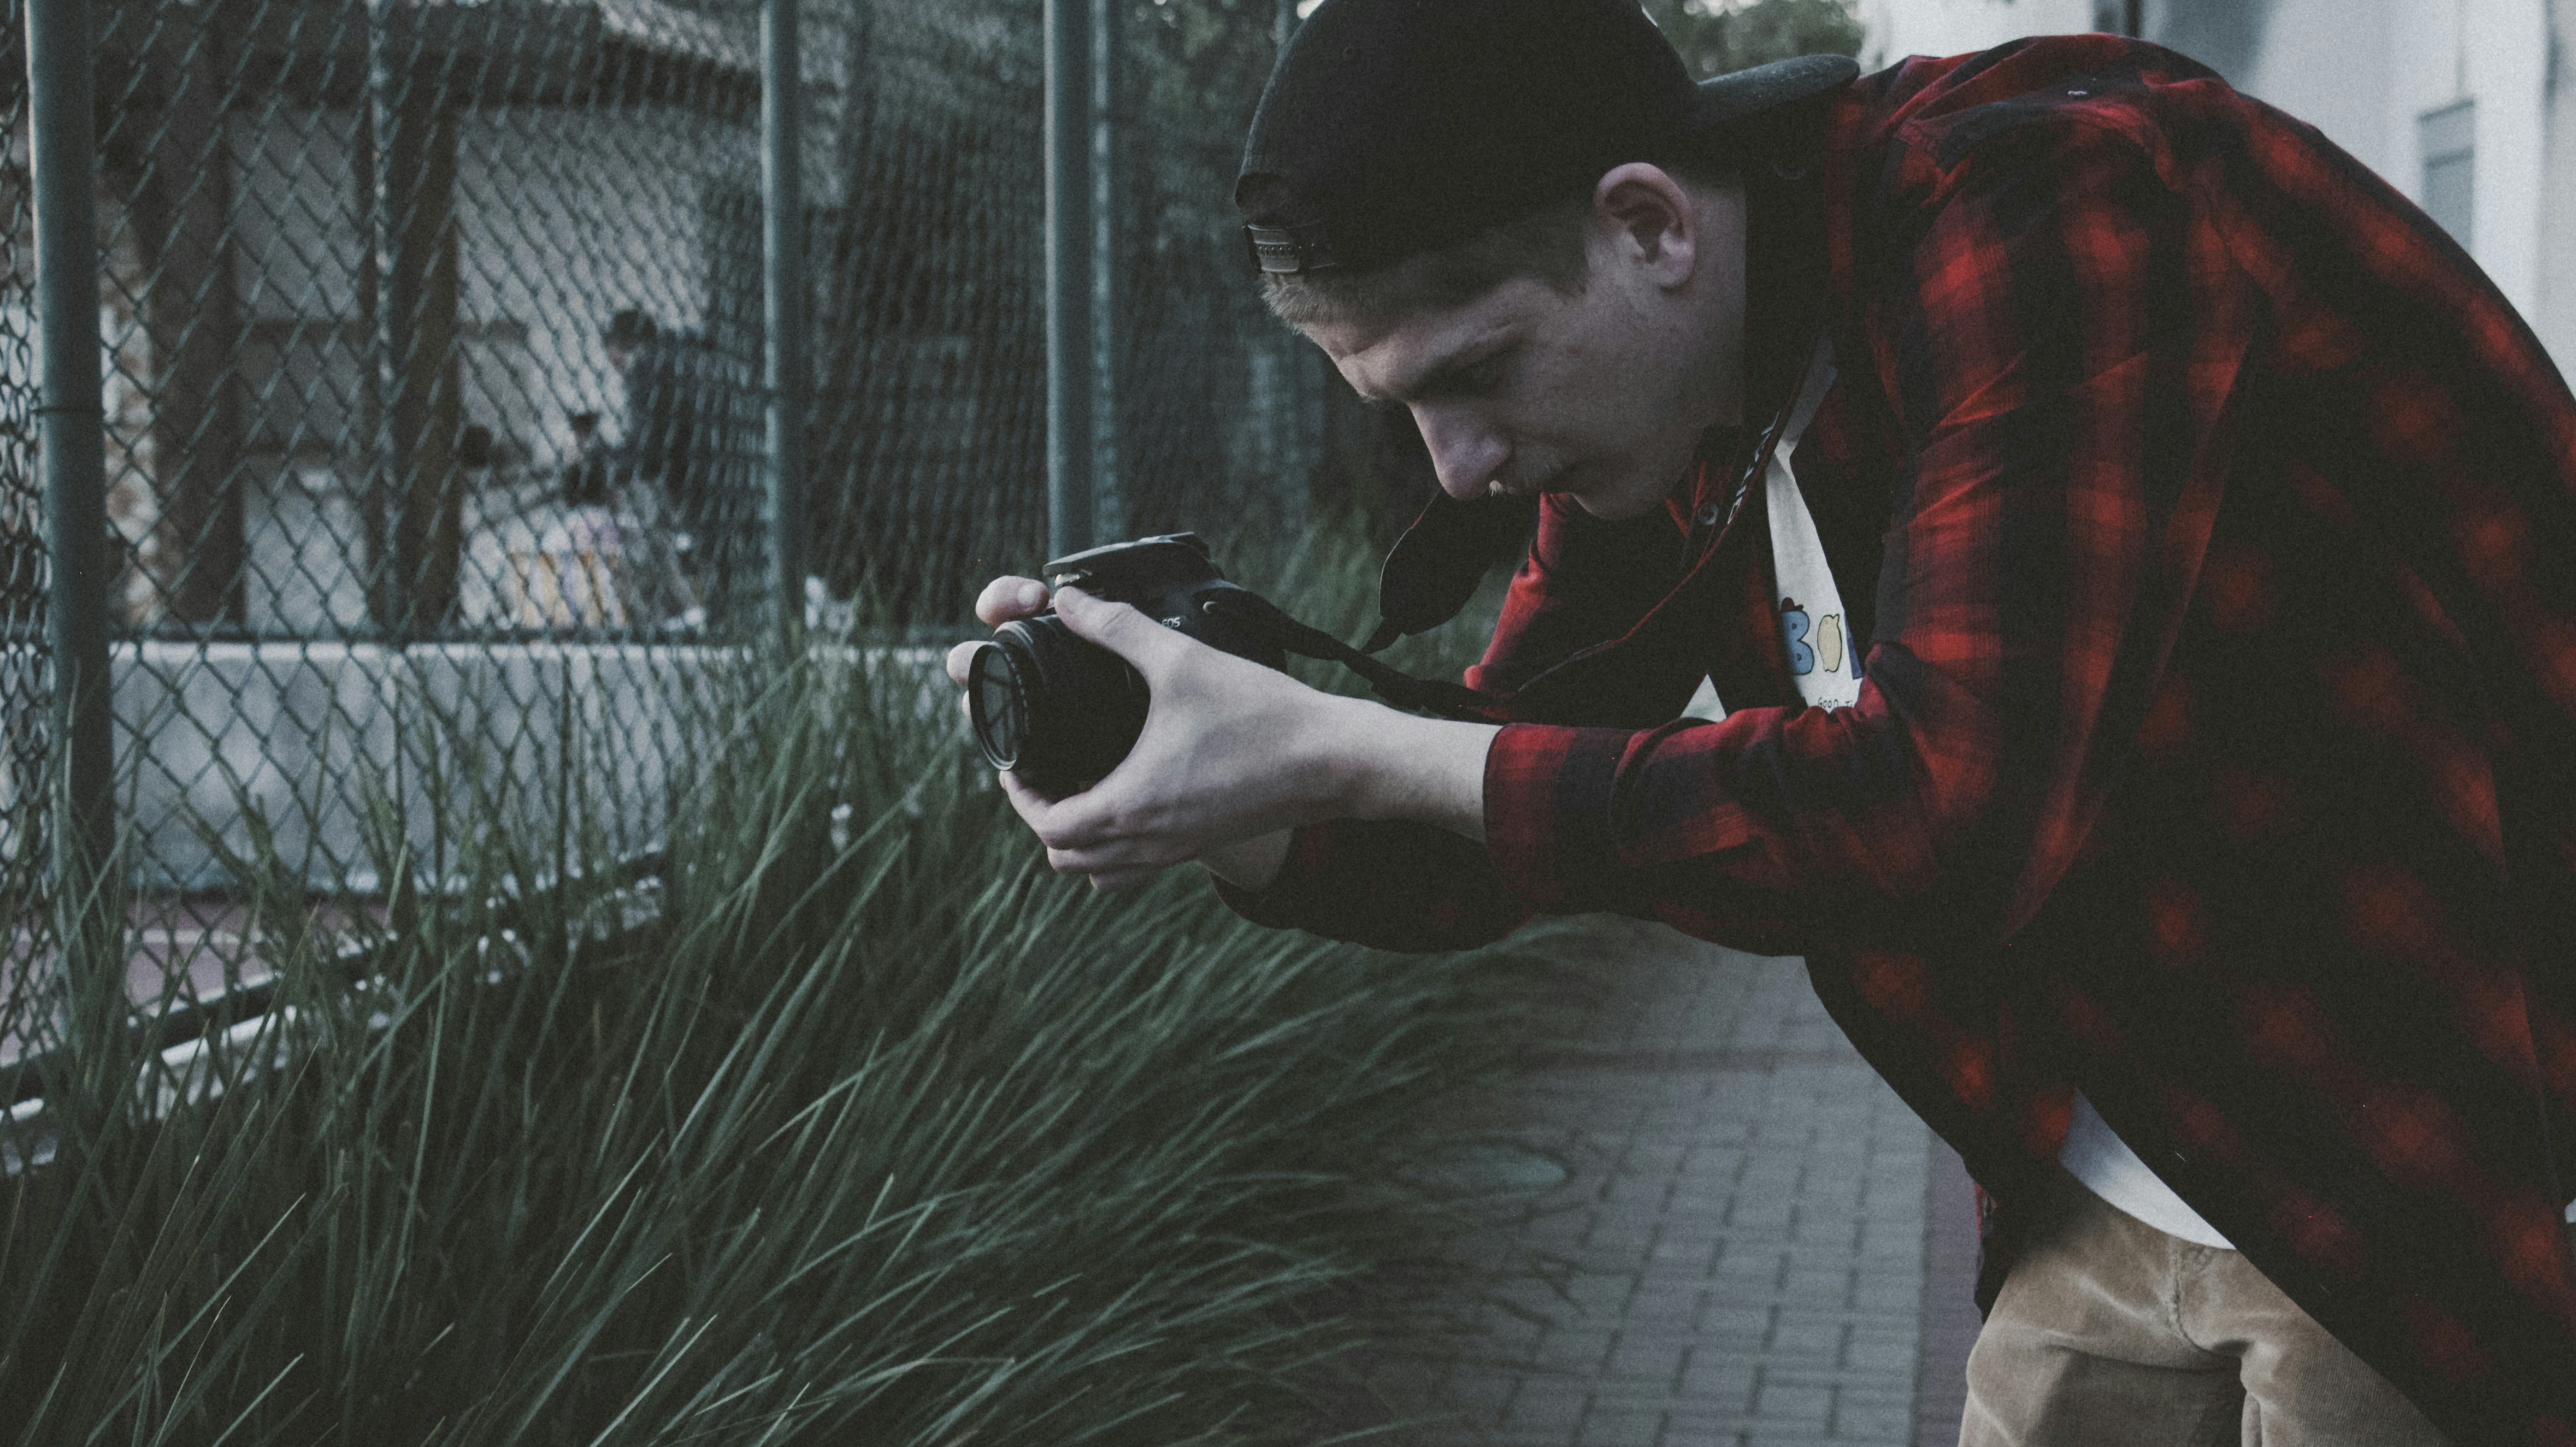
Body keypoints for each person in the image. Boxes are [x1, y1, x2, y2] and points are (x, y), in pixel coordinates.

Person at [944, 2, 2576, 1441]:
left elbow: (1940, 815)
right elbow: (1492, 809)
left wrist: (1346, 747)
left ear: (1645, 223)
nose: (1456, 464)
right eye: (1404, 410)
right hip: (2101, 1154)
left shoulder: (2038, 212)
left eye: (1476, 372)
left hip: (2395, 1150)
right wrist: (1211, 780)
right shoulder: (1668, 401)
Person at [600, 308, 753, 624]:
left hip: (702, 482)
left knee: (718, 573)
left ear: (620, 347)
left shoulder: (647, 367)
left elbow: (650, 451)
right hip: (740, 474)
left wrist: (603, 464)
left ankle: (723, 629)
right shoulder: (700, 356)